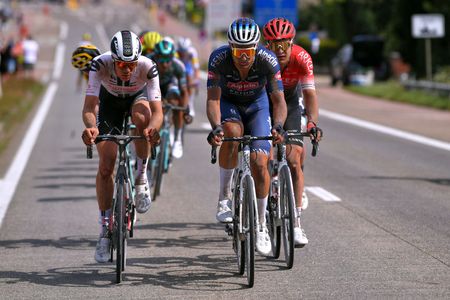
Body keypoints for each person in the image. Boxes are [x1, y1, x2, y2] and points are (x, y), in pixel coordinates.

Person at [206, 18, 287, 256]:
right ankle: (224, 197)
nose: (244, 56)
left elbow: (278, 100)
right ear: (231, 47)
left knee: (261, 161)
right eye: (239, 50)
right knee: (231, 132)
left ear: (256, 48)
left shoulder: (268, 60)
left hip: (257, 106)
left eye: (248, 50)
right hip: (229, 104)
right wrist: (215, 127)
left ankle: (261, 224)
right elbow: (213, 99)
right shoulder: (218, 59)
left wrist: (279, 125)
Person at [81, 30, 163, 263]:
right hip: (110, 104)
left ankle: (141, 178)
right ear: (112, 59)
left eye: (131, 65)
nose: (127, 70)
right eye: (121, 65)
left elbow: (158, 112)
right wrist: (91, 128)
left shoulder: (148, 67)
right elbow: (89, 108)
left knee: (143, 120)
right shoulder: (100, 64)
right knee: (106, 166)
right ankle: (105, 231)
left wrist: (153, 130)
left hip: (137, 99)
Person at [262, 18, 323, 246]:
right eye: (274, 45)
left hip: (291, 100)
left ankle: (296, 224)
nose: (279, 50)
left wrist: (312, 123)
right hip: (266, 101)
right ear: (267, 45)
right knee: (263, 152)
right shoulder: (262, 59)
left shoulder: (301, 57)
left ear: (291, 42)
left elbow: (310, 95)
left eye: (284, 44)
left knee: (295, 156)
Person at [147, 38, 189, 159]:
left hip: (169, 85)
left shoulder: (178, 66)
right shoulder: (148, 61)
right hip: (151, 86)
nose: (165, 64)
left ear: (172, 58)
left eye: (167, 60)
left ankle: (177, 138)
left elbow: (184, 91)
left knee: (176, 102)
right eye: (161, 59)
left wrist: (184, 109)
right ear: (156, 57)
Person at [176, 36, 200, 118]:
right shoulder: (175, 52)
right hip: (178, 67)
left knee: (190, 81)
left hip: (188, 68)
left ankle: (190, 103)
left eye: (184, 51)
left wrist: (196, 80)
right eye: (181, 51)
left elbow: (196, 68)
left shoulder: (192, 52)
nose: (182, 53)